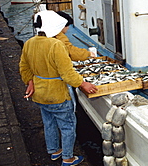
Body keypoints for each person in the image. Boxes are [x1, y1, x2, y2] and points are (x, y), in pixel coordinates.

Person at [19, 10, 98, 166]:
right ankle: (68, 158)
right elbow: (67, 73)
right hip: (57, 94)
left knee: (49, 122)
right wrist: (83, 83)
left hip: (40, 94)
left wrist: (29, 81)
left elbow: (23, 66)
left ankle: (54, 151)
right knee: (68, 126)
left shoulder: (30, 42)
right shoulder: (56, 45)